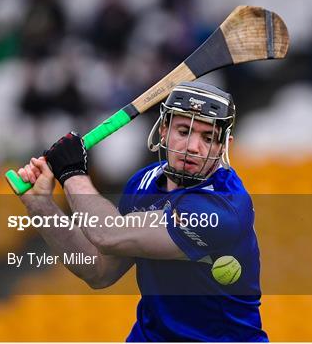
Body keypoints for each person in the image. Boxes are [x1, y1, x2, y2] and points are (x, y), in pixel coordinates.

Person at [17, 81, 268, 342]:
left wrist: (72, 174)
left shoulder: (222, 207)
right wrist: (40, 204)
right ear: (163, 131)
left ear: (223, 146)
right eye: (184, 131)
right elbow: (99, 271)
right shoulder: (143, 183)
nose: (194, 147)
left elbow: (107, 234)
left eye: (208, 138)